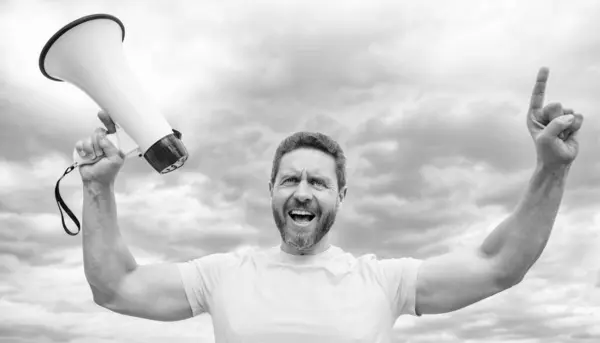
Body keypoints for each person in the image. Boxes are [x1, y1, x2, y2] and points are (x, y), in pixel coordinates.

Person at [75, 67, 583, 342]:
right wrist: (97, 188)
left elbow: (499, 266)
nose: (302, 191)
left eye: (317, 182)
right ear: (271, 190)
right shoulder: (222, 275)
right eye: (290, 179)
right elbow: (116, 289)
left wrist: (552, 169)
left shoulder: (384, 281)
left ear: (340, 195)